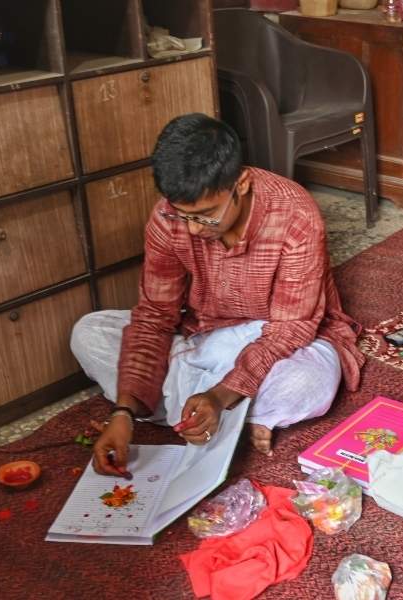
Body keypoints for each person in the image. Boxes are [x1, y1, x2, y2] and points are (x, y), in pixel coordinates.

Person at [70, 113, 364, 476]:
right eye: (184, 215)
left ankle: (205, 403)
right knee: (89, 333)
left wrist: (219, 395)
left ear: (241, 184)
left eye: (206, 215)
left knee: (309, 382)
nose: (194, 229)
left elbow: (291, 329)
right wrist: (124, 412)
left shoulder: (295, 214)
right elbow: (155, 315)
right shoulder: (167, 218)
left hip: (281, 336)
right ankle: (232, 413)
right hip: (203, 337)